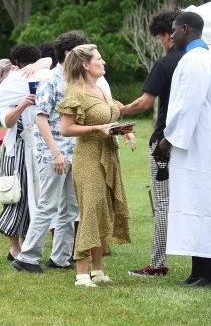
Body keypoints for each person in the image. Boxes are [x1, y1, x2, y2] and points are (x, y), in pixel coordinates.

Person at [154, 11, 211, 287]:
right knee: (196, 205)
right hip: (198, 144)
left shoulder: (196, 61)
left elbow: (188, 105)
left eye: (174, 30)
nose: (171, 35)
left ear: (186, 28)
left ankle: (210, 272)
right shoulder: (200, 59)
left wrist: (168, 139)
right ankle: (201, 269)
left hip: (200, 145)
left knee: (201, 205)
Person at [57, 44, 132, 287]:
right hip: (88, 158)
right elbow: (66, 129)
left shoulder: (100, 89)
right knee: (90, 211)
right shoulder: (75, 93)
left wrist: (123, 132)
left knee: (102, 210)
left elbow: (110, 118)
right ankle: (81, 273)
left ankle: (98, 270)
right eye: (99, 59)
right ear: (85, 65)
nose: (104, 62)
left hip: (109, 155)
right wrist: (96, 129)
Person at [118, 8, 183, 277]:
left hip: (164, 142)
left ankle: (157, 263)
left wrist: (119, 110)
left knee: (162, 202)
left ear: (168, 35)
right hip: (189, 142)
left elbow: (145, 102)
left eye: (159, 36)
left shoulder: (166, 63)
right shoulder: (197, 60)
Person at [12, 40, 81, 274]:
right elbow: (41, 119)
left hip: (72, 152)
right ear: (68, 53)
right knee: (48, 205)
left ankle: (60, 257)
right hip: (53, 153)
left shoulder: (75, 79)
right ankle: (27, 257)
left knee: (70, 208)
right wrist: (56, 153)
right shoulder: (51, 80)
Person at [0, 45, 51, 223]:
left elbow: (50, 61)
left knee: (40, 192)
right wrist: (21, 104)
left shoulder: (27, 77)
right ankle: (18, 240)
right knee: (18, 192)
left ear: (17, 64)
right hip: (19, 146)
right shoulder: (8, 93)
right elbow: (6, 120)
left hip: (38, 144)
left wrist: (40, 64)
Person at [0, 58, 33, 260]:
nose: (15, 74)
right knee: (14, 194)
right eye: (9, 72)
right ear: (1, 79)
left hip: (32, 149)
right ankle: (14, 247)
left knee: (31, 197)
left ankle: (26, 245)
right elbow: (7, 121)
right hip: (14, 151)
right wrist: (22, 105)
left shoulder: (25, 88)